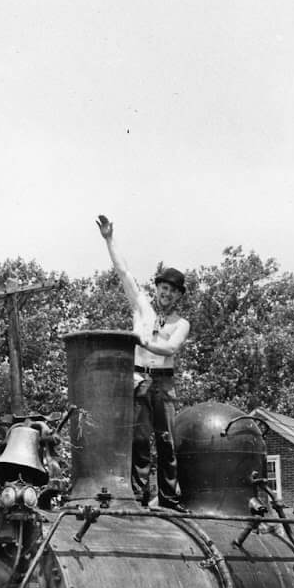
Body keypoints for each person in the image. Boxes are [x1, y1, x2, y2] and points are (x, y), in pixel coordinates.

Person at [96, 215, 191, 507]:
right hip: (138, 378)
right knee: (138, 440)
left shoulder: (181, 323)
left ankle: (168, 497)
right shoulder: (142, 309)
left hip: (163, 383)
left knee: (166, 441)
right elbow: (123, 272)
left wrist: (140, 340)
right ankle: (139, 495)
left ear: (177, 296)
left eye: (173, 290)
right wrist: (109, 239)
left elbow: (170, 348)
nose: (167, 293)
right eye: (164, 287)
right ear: (158, 288)